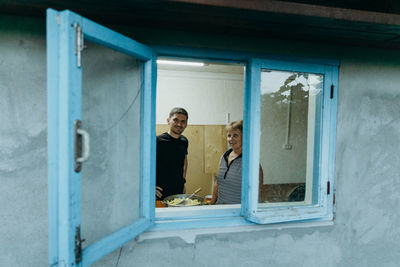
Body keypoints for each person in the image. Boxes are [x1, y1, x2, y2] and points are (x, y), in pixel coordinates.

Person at [211, 120, 263, 204]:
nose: (231, 139)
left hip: (238, 212)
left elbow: (257, 194)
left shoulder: (251, 162)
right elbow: (218, 182)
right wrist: (211, 204)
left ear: (245, 137)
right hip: (220, 207)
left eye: (235, 135)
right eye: (229, 135)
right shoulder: (224, 157)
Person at [156, 107, 189, 200]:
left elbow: (184, 161)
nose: (179, 124)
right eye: (175, 120)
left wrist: (183, 182)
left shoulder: (184, 141)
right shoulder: (157, 141)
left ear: (186, 124)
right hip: (159, 192)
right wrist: (149, 186)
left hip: (177, 190)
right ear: (168, 120)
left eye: (183, 121)